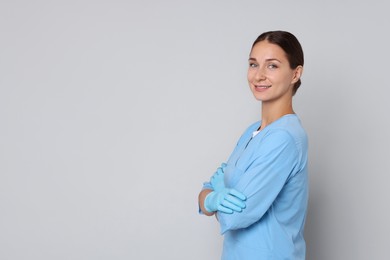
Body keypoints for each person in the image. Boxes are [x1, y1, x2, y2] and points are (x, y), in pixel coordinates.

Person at [198, 31, 308, 259]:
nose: (258, 75)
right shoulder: (252, 131)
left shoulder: (284, 138)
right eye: (253, 64)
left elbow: (235, 217)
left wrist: (215, 195)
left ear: (295, 74)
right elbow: (205, 191)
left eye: (272, 66)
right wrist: (211, 197)